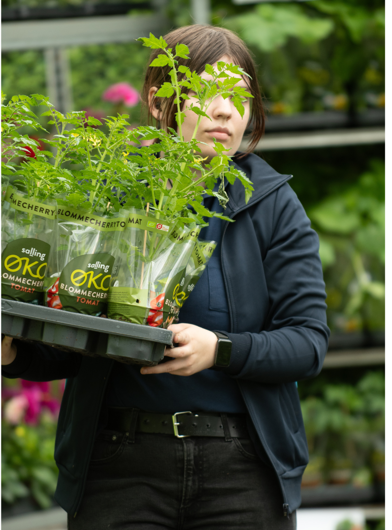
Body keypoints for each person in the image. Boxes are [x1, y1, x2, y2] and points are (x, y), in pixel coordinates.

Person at [1, 25, 329, 529]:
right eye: (206, 93)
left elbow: (307, 344)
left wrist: (219, 349)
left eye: (240, 97)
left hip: (242, 470)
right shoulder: (114, 194)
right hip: (119, 468)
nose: (225, 111)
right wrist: (14, 351)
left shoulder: (273, 206)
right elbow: (73, 333)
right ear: (159, 102)